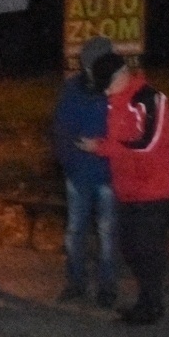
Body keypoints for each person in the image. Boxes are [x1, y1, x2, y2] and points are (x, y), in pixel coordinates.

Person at [81, 51, 169, 325]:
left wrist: (101, 147)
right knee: (130, 247)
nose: (106, 91)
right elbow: (123, 140)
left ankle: (150, 305)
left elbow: (146, 143)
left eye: (107, 84)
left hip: (153, 188)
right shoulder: (117, 101)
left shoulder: (150, 99)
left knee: (146, 248)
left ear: (121, 75)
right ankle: (148, 301)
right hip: (127, 187)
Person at [52, 36, 118, 306]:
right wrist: (69, 162)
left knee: (107, 233)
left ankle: (107, 288)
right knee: (75, 231)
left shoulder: (115, 89)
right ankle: (76, 282)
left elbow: (124, 131)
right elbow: (60, 129)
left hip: (108, 174)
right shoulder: (73, 89)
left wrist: (103, 149)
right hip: (79, 173)